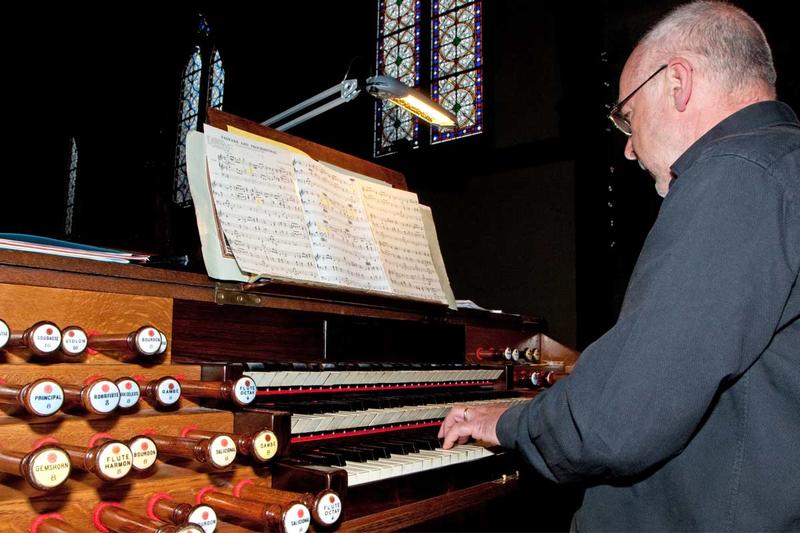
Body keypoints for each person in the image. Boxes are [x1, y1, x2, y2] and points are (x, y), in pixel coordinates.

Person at [439, 1, 800, 530]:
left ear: (677, 82)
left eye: (627, 115)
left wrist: (512, 424)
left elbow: (614, 422)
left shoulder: (734, 175)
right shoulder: (782, 164)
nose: (628, 149)